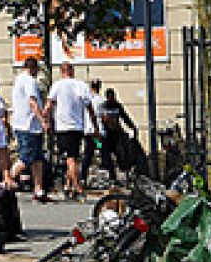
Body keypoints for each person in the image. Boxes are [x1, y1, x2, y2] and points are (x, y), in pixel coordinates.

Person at [48, 62, 95, 199]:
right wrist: (95, 126)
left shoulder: (57, 85)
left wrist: (46, 121)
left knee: (70, 159)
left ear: (62, 72)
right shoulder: (80, 85)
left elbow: (49, 105)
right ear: (72, 71)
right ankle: (68, 186)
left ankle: (77, 186)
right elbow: (89, 107)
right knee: (74, 157)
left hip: (63, 127)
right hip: (77, 126)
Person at [9, 57, 50, 200]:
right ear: (34, 68)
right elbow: (32, 102)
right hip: (28, 126)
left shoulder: (19, 80)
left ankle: (39, 189)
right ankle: (5, 181)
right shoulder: (29, 81)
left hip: (29, 126)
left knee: (37, 158)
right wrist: (43, 120)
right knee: (26, 157)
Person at [97, 88, 142, 178]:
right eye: (110, 98)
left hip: (116, 134)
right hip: (106, 135)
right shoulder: (102, 107)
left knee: (121, 153)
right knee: (105, 154)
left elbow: (125, 117)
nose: (112, 100)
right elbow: (100, 120)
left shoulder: (117, 106)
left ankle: (125, 172)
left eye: (113, 98)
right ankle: (110, 173)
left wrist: (133, 127)